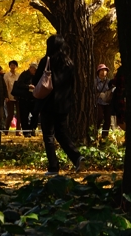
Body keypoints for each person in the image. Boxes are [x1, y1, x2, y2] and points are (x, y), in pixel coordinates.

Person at [35, 35, 82, 175]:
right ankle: (77, 157)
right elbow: (73, 83)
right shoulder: (69, 63)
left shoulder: (46, 61)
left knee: (48, 135)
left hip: (47, 103)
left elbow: (36, 79)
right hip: (63, 103)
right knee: (61, 133)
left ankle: (53, 167)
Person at [12, 62, 37, 136]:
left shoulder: (36, 76)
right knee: (24, 116)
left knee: (35, 114)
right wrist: (28, 86)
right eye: (34, 70)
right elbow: (19, 84)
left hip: (33, 98)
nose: (35, 71)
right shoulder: (24, 74)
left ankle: (32, 128)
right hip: (24, 99)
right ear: (30, 68)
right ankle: (26, 132)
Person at [94, 64, 113, 139]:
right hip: (98, 103)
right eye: (101, 70)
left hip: (107, 103)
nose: (103, 72)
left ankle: (104, 136)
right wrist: (99, 95)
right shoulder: (95, 82)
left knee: (108, 120)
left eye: (105, 70)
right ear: (98, 72)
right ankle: (95, 134)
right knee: (99, 117)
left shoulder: (109, 82)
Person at [4, 61, 20, 132]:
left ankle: (18, 130)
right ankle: (6, 130)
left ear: (16, 66)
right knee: (10, 114)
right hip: (10, 97)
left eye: (14, 65)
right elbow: (5, 87)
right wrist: (6, 97)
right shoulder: (6, 75)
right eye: (11, 65)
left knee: (19, 115)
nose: (13, 66)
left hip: (18, 97)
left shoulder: (19, 75)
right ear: (9, 66)